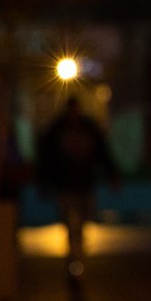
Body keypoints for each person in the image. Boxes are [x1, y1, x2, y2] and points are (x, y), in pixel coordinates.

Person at [36, 96, 119, 283]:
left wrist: (112, 174)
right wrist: (45, 182)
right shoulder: (58, 129)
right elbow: (47, 159)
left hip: (84, 185)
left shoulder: (87, 128)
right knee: (70, 226)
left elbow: (103, 153)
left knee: (80, 225)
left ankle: (76, 260)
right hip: (66, 186)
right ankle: (74, 261)